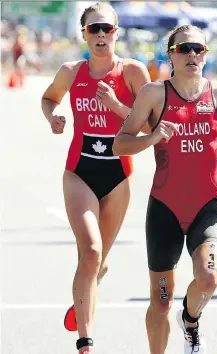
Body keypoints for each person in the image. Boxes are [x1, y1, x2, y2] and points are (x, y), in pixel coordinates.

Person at [113, 24, 217, 354]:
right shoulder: (154, 94)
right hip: (164, 208)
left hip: (206, 206)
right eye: (184, 49)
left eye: (199, 49)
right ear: (171, 56)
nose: (192, 54)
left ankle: (190, 321)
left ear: (206, 55)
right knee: (160, 301)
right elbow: (120, 145)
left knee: (209, 278)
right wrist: (151, 137)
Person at [41, 2, 151, 353]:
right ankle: (85, 341)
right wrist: (53, 116)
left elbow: (148, 127)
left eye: (107, 28)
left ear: (117, 32)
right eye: (94, 29)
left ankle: (83, 295)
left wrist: (117, 106)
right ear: (84, 33)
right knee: (89, 250)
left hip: (119, 174)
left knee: (98, 261)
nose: (101, 35)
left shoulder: (133, 72)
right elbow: (48, 98)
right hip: (80, 171)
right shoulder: (71, 71)